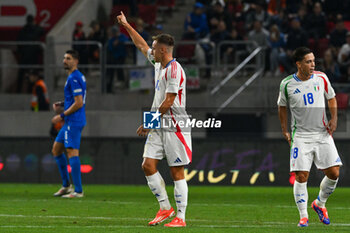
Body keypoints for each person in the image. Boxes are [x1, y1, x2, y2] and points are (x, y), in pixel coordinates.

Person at [117, 11, 192, 227]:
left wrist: (149, 123)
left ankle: (181, 217)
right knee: (148, 165)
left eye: (154, 47)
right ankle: (165, 207)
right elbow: (141, 45)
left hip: (174, 125)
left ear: (163, 50)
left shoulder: (175, 70)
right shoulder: (159, 63)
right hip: (160, 123)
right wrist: (126, 25)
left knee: (176, 170)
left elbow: (169, 101)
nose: (151, 50)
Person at [277, 47, 342, 227]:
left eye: (313, 61)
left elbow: (332, 97)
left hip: (322, 133)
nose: (313, 65)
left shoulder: (322, 78)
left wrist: (334, 118)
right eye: (308, 61)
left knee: (334, 173)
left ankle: (319, 204)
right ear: (299, 64)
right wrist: (285, 130)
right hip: (301, 136)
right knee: (301, 176)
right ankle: (303, 216)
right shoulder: (287, 84)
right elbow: (281, 107)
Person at [51, 50, 87, 198]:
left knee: (72, 152)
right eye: (64, 58)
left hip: (74, 120)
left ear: (76, 61)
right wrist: (61, 103)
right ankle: (66, 186)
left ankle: (78, 191)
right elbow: (76, 100)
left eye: (68, 58)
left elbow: (79, 103)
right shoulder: (75, 77)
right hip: (70, 121)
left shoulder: (74, 78)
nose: (65, 61)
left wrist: (61, 115)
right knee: (56, 150)